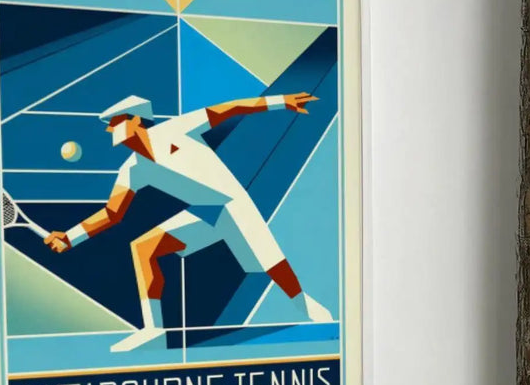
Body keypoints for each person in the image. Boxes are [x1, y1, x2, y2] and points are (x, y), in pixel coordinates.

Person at [45, 92, 332, 352]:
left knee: (272, 263)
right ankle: (154, 331)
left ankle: (303, 305)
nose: (110, 129)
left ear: (135, 120)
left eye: (115, 122)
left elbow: (229, 108)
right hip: (205, 213)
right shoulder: (131, 169)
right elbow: (112, 213)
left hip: (233, 205)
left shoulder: (176, 129)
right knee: (144, 248)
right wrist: (69, 237)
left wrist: (280, 101)